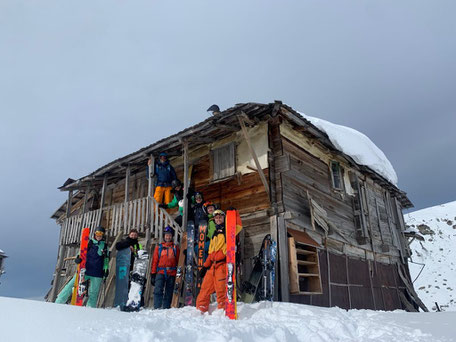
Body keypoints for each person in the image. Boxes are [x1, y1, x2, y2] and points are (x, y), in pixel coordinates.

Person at [195, 209, 242, 313]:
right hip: (212, 267)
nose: (218, 219)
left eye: (220, 217)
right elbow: (211, 253)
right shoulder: (214, 234)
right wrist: (205, 267)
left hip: (222, 266)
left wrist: (235, 213)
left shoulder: (229, 231)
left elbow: (239, 226)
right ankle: (200, 310)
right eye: (216, 218)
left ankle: (223, 311)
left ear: (224, 218)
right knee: (204, 289)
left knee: (221, 291)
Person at [55, 226, 109, 307]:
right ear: (94, 234)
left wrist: (106, 269)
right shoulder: (89, 243)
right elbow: (81, 253)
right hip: (85, 270)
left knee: (93, 293)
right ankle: (59, 301)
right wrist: (78, 259)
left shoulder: (105, 246)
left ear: (103, 235)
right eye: (97, 233)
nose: (99, 235)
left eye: (101, 234)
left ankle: (90, 309)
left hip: (97, 273)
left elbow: (106, 260)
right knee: (71, 285)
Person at [150, 226, 180, 309]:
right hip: (160, 272)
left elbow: (178, 261)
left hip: (172, 272)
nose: (168, 237)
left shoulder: (175, 248)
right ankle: (157, 307)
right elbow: (155, 261)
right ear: (164, 236)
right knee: (158, 290)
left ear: (172, 236)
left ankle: (166, 308)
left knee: (169, 291)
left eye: (169, 235)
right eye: (166, 235)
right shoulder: (158, 248)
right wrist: (153, 273)